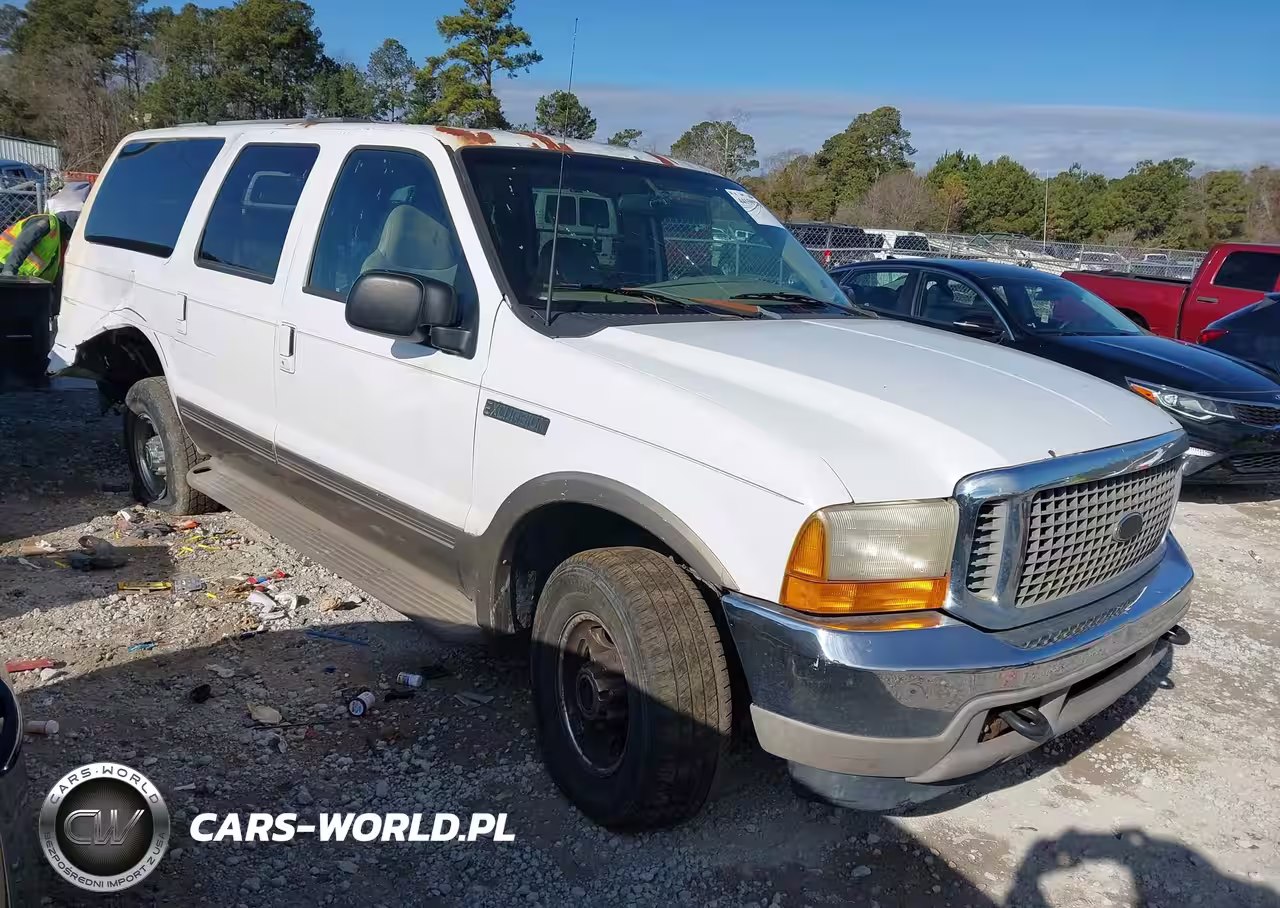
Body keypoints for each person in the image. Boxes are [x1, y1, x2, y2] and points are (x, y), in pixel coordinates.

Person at [0, 211, 64, 280]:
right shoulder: (46, 222)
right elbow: (23, 243)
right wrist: (9, 270)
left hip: (19, 275)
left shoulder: (58, 237)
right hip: (3, 264)